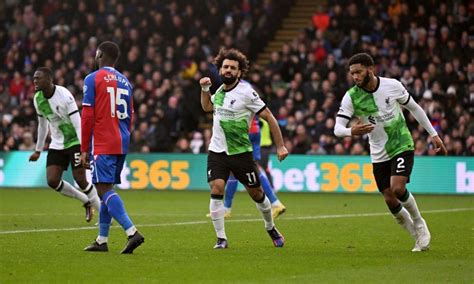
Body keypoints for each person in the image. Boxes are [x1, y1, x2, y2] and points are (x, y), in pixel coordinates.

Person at [334, 53, 448, 252]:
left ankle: (420, 224)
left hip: (401, 143)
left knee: (397, 188)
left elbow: (415, 108)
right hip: (378, 152)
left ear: (371, 69)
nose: (355, 77)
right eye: (352, 73)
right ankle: (416, 237)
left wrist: (433, 134)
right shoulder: (351, 96)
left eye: (358, 72)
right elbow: (337, 129)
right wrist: (351, 131)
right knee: (389, 198)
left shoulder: (392, 85)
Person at [200, 48, 289, 249]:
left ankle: (270, 227)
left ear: (239, 72)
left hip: (240, 153)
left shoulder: (247, 93)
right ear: (220, 69)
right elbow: (207, 107)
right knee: (216, 187)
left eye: (233, 68)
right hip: (217, 150)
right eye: (225, 67)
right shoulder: (220, 91)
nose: (228, 70)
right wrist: (205, 90)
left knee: (256, 193)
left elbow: (270, 117)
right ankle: (221, 238)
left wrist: (281, 146)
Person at [81, 41, 144, 254]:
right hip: (121, 140)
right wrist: (124, 137)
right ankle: (102, 240)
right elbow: (131, 116)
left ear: (99, 54)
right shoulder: (126, 82)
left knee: (103, 189)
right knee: (106, 189)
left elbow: (87, 116)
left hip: (103, 141)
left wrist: (83, 148)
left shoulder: (93, 78)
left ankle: (131, 231)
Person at [29, 67, 100, 222]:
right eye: (34, 78)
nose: (35, 81)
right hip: (57, 142)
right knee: (52, 181)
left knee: (81, 179)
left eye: (38, 78)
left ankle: (104, 215)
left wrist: (83, 150)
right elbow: (42, 125)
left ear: (49, 79)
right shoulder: (38, 99)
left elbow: (78, 124)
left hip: (74, 140)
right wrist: (38, 150)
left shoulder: (65, 95)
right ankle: (86, 201)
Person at [221, 115, 286, 219]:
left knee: (234, 169)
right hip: (255, 129)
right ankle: (276, 203)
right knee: (254, 167)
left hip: (244, 130)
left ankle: (226, 209)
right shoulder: (255, 98)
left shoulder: (237, 98)